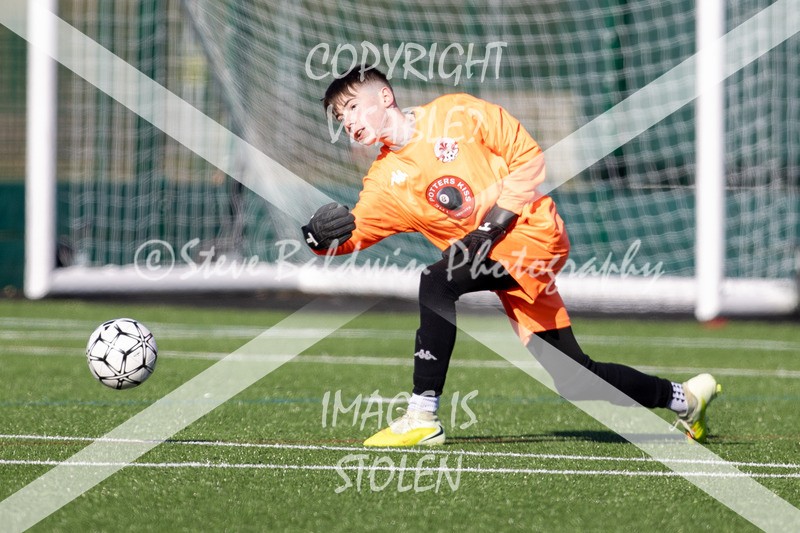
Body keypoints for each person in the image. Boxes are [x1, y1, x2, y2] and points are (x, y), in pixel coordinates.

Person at [301, 67, 721, 447]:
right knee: (574, 377)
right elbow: (351, 234)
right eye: (341, 118)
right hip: (496, 258)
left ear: (386, 98)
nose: (349, 122)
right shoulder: (383, 180)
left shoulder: (455, 113)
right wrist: (317, 238)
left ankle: (422, 415)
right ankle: (684, 397)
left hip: (533, 234)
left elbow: (528, 156)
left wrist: (490, 227)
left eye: (353, 107)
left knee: (436, 280)